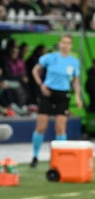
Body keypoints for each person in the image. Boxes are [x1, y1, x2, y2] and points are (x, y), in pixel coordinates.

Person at [30, 34, 83, 168]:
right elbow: (35, 70)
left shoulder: (74, 62)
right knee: (41, 126)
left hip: (62, 94)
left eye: (68, 43)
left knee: (60, 128)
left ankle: (60, 158)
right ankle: (35, 156)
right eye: (63, 43)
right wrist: (41, 85)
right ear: (59, 44)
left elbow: (76, 81)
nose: (65, 45)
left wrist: (77, 96)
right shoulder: (50, 57)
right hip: (48, 93)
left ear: (71, 46)